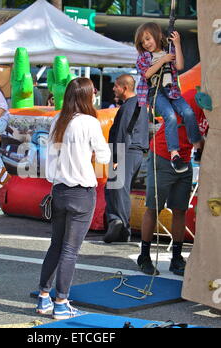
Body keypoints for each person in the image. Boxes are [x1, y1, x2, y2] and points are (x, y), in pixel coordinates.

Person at [36, 77, 111, 319]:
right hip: (81, 191)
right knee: (70, 250)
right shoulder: (89, 122)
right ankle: (61, 302)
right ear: (87, 97)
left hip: (58, 190)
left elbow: (49, 156)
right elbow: (103, 157)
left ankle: (44, 297)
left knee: (56, 245)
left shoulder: (58, 118)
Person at [137, 89, 207, 276]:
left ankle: (176, 258)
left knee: (180, 209)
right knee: (154, 207)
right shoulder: (192, 97)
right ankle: (144, 256)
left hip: (184, 159)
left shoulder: (213, 107)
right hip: (163, 155)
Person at [135, 22, 203, 174]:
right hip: (156, 92)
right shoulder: (143, 57)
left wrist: (177, 44)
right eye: (143, 41)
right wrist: (162, 60)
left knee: (188, 112)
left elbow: (179, 66)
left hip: (171, 90)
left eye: (148, 39)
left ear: (158, 36)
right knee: (170, 116)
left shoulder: (169, 50)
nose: (146, 43)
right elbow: (146, 74)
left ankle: (197, 146)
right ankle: (174, 154)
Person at [103, 74, 149, 243]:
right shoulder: (138, 104)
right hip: (133, 151)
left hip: (126, 151)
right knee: (115, 188)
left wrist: (115, 157)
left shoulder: (129, 106)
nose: (113, 89)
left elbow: (123, 132)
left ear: (124, 88)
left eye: (116, 86)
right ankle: (117, 222)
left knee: (118, 189)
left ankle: (120, 225)